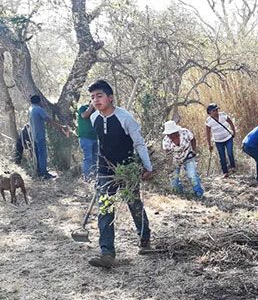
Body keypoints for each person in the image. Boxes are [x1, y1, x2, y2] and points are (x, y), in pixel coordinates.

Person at [88, 80, 154, 268]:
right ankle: (107, 252)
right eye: (92, 97)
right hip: (105, 171)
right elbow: (101, 144)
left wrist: (148, 167)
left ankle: (144, 240)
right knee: (105, 210)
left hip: (127, 170)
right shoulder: (94, 119)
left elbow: (139, 143)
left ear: (110, 97)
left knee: (134, 204)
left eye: (99, 96)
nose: (95, 100)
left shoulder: (126, 118)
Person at [28, 95, 70, 179]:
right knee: (42, 154)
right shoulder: (39, 109)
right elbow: (49, 120)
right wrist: (61, 127)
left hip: (33, 135)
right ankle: (44, 173)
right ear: (39, 101)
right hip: (40, 135)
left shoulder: (30, 109)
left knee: (37, 153)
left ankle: (39, 172)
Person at [162, 120, 204, 197]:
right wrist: (169, 165)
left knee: (192, 175)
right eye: (169, 135)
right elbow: (167, 154)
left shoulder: (185, 132)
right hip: (175, 160)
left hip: (188, 156)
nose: (170, 136)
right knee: (174, 180)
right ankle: (179, 194)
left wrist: (193, 150)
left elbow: (193, 139)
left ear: (176, 132)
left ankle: (199, 193)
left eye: (172, 134)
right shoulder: (166, 141)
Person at [205, 103, 236, 177]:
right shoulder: (208, 121)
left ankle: (233, 167)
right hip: (218, 141)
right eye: (214, 110)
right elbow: (208, 133)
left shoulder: (223, 115)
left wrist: (234, 131)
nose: (216, 111)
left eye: (217, 110)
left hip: (228, 138)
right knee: (222, 156)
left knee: (230, 153)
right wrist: (209, 145)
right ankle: (225, 172)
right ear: (209, 112)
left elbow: (231, 122)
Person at [77, 102, 98, 181]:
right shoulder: (83, 108)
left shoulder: (98, 111)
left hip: (96, 137)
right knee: (88, 158)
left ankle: (95, 177)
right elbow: (84, 115)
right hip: (85, 137)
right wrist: (91, 107)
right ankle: (87, 177)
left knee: (96, 158)